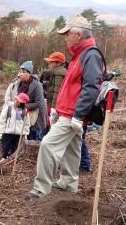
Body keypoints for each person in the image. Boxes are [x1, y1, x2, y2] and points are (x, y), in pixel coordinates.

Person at [27, 15, 103, 198]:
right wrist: (58, 110)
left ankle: (41, 187)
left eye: (67, 34)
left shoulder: (90, 55)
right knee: (71, 149)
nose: (65, 37)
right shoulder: (80, 55)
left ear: (78, 35)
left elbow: (92, 86)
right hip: (68, 112)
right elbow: (72, 86)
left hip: (72, 113)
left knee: (47, 145)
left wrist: (78, 115)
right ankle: (68, 182)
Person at [0, 93, 31, 162]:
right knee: (5, 146)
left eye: (19, 102)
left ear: (22, 103)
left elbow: (26, 123)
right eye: (16, 100)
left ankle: (12, 159)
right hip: (7, 132)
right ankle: (4, 157)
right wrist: (0, 132)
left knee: (15, 147)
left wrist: (26, 133)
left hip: (18, 133)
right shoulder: (8, 108)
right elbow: (2, 120)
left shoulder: (24, 111)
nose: (17, 102)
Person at [17, 61, 47, 141]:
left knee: (35, 140)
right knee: (25, 137)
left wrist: (24, 106)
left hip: (36, 117)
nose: (21, 74)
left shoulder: (37, 85)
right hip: (25, 115)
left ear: (29, 73)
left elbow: (39, 103)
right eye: (20, 72)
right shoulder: (20, 84)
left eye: (23, 72)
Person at [44, 52, 67, 126]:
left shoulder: (59, 74)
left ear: (58, 63)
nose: (49, 65)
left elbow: (57, 92)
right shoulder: (55, 72)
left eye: (51, 62)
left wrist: (54, 109)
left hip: (56, 108)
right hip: (53, 106)